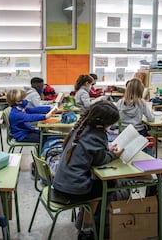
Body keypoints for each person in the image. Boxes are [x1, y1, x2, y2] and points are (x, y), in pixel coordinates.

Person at [52, 100, 122, 239]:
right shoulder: (98, 134)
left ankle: (85, 221)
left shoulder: (82, 127)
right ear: (104, 122)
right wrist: (113, 155)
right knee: (107, 186)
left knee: (100, 185)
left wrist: (106, 151)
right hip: (71, 189)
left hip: (60, 184)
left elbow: (91, 153)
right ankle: (86, 230)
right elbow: (99, 160)